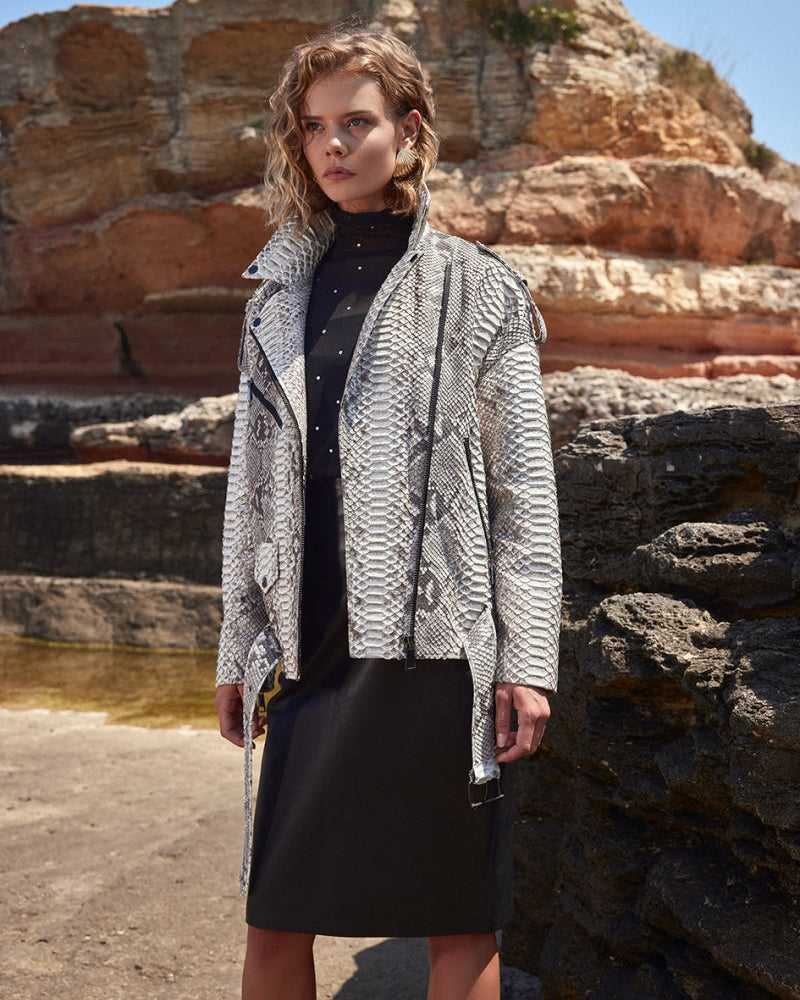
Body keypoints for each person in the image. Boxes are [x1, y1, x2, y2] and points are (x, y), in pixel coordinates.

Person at [214, 26, 561, 1000]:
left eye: (355, 122)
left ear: (408, 133)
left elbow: (522, 494)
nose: (331, 145)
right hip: (306, 646)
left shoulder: (479, 288)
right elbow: (252, 484)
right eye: (313, 126)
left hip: (437, 657)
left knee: (458, 921)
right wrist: (235, 643)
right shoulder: (274, 289)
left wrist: (527, 664)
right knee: (275, 916)